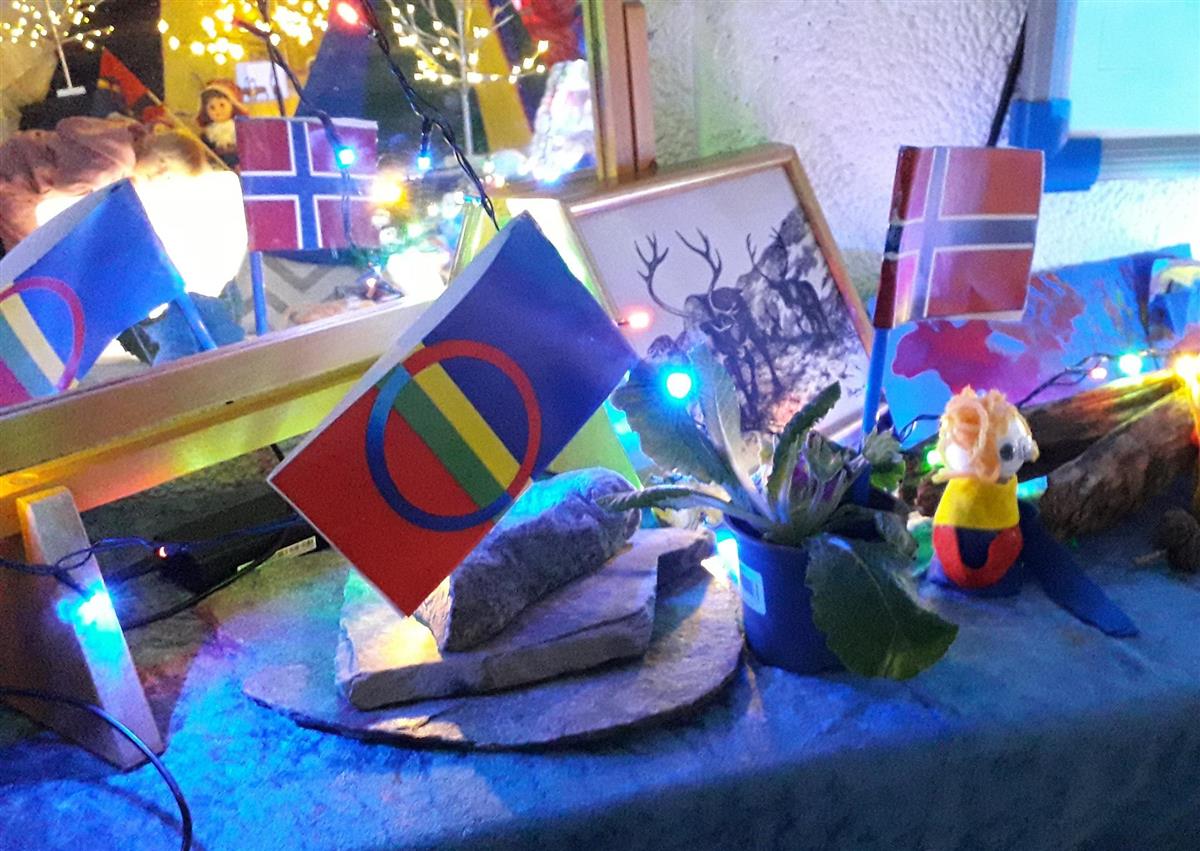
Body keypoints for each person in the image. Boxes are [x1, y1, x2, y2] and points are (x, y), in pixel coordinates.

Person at [196, 79, 246, 167]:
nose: (217, 111)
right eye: (212, 107)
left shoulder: (241, 130)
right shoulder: (207, 136)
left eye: (222, 105)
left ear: (232, 105)